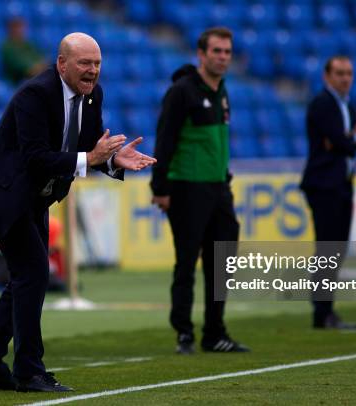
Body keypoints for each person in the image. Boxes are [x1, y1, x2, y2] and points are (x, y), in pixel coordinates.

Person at [0, 32, 156, 392]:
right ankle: (28, 371)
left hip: (36, 196)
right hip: (5, 193)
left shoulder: (93, 95)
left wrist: (113, 159)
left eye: (97, 63)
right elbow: (36, 159)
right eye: (85, 63)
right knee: (34, 271)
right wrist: (92, 158)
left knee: (25, 277)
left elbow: (90, 150)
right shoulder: (34, 95)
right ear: (61, 63)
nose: (93, 71)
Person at [150, 27, 248, 354]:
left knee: (221, 264)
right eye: (216, 51)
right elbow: (165, 140)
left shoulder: (223, 90)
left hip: (219, 189)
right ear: (201, 54)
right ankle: (184, 333)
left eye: (227, 52)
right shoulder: (181, 92)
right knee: (187, 263)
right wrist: (160, 187)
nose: (222, 57)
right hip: (187, 189)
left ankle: (215, 333)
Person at [300, 56, 356, 330]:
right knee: (328, 248)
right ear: (326, 76)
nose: (346, 78)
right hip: (324, 184)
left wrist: (350, 139)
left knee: (337, 249)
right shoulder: (323, 104)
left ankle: (326, 309)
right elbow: (345, 140)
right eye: (340, 73)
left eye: (349, 73)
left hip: (342, 183)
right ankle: (322, 312)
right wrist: (353, 137)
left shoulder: (347, 106)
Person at [1, 18, 48, 84]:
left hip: (35, 79)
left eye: (21, 27)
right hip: (17, 82)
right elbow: (22, 69)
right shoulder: (7, 47)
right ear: (10, 30)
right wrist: (36, 69)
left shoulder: (28, 44)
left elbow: (42, 60)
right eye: (16, 28)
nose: (20, 30)